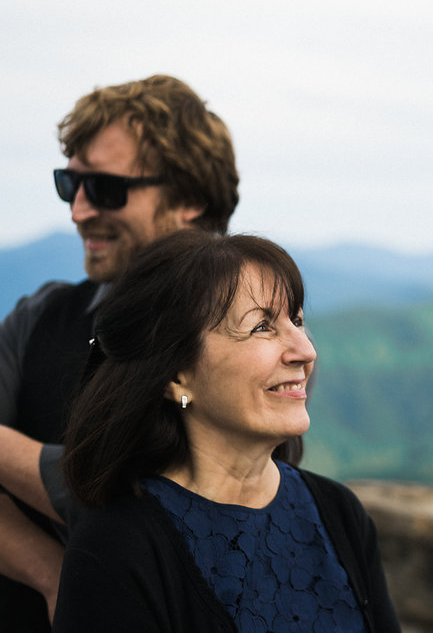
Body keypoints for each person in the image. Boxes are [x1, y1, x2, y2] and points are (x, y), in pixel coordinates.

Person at [51, 230, 399, 632]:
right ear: (177, 376)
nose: (305, 350)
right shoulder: (118, 549)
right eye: (261, 327)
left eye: (297, 320)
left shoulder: (338, 514)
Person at [0, 74, 240, 630]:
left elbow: (154, 492)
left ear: (189, 198)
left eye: (105, 188)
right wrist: (53, 575)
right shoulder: (41, 317)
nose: (79, 211)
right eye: (70, 184)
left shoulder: (256, 340)